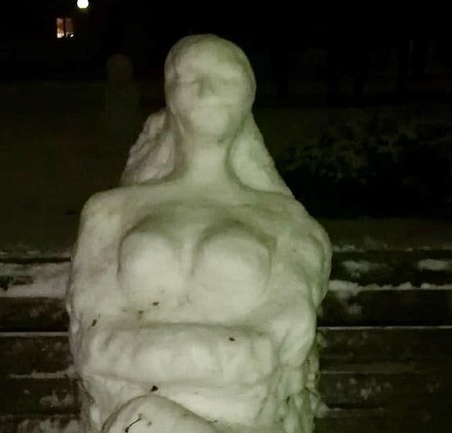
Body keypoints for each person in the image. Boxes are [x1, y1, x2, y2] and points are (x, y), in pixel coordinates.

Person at [67, 34, 332, 433]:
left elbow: (283, 343)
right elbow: (93, 340)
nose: (206, 92)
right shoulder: (110, 213)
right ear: (169, 95)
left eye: (225, 79)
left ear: (247, 96)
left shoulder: (286, 222)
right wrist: (225, 355)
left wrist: (151, 356)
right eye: (190, 78)